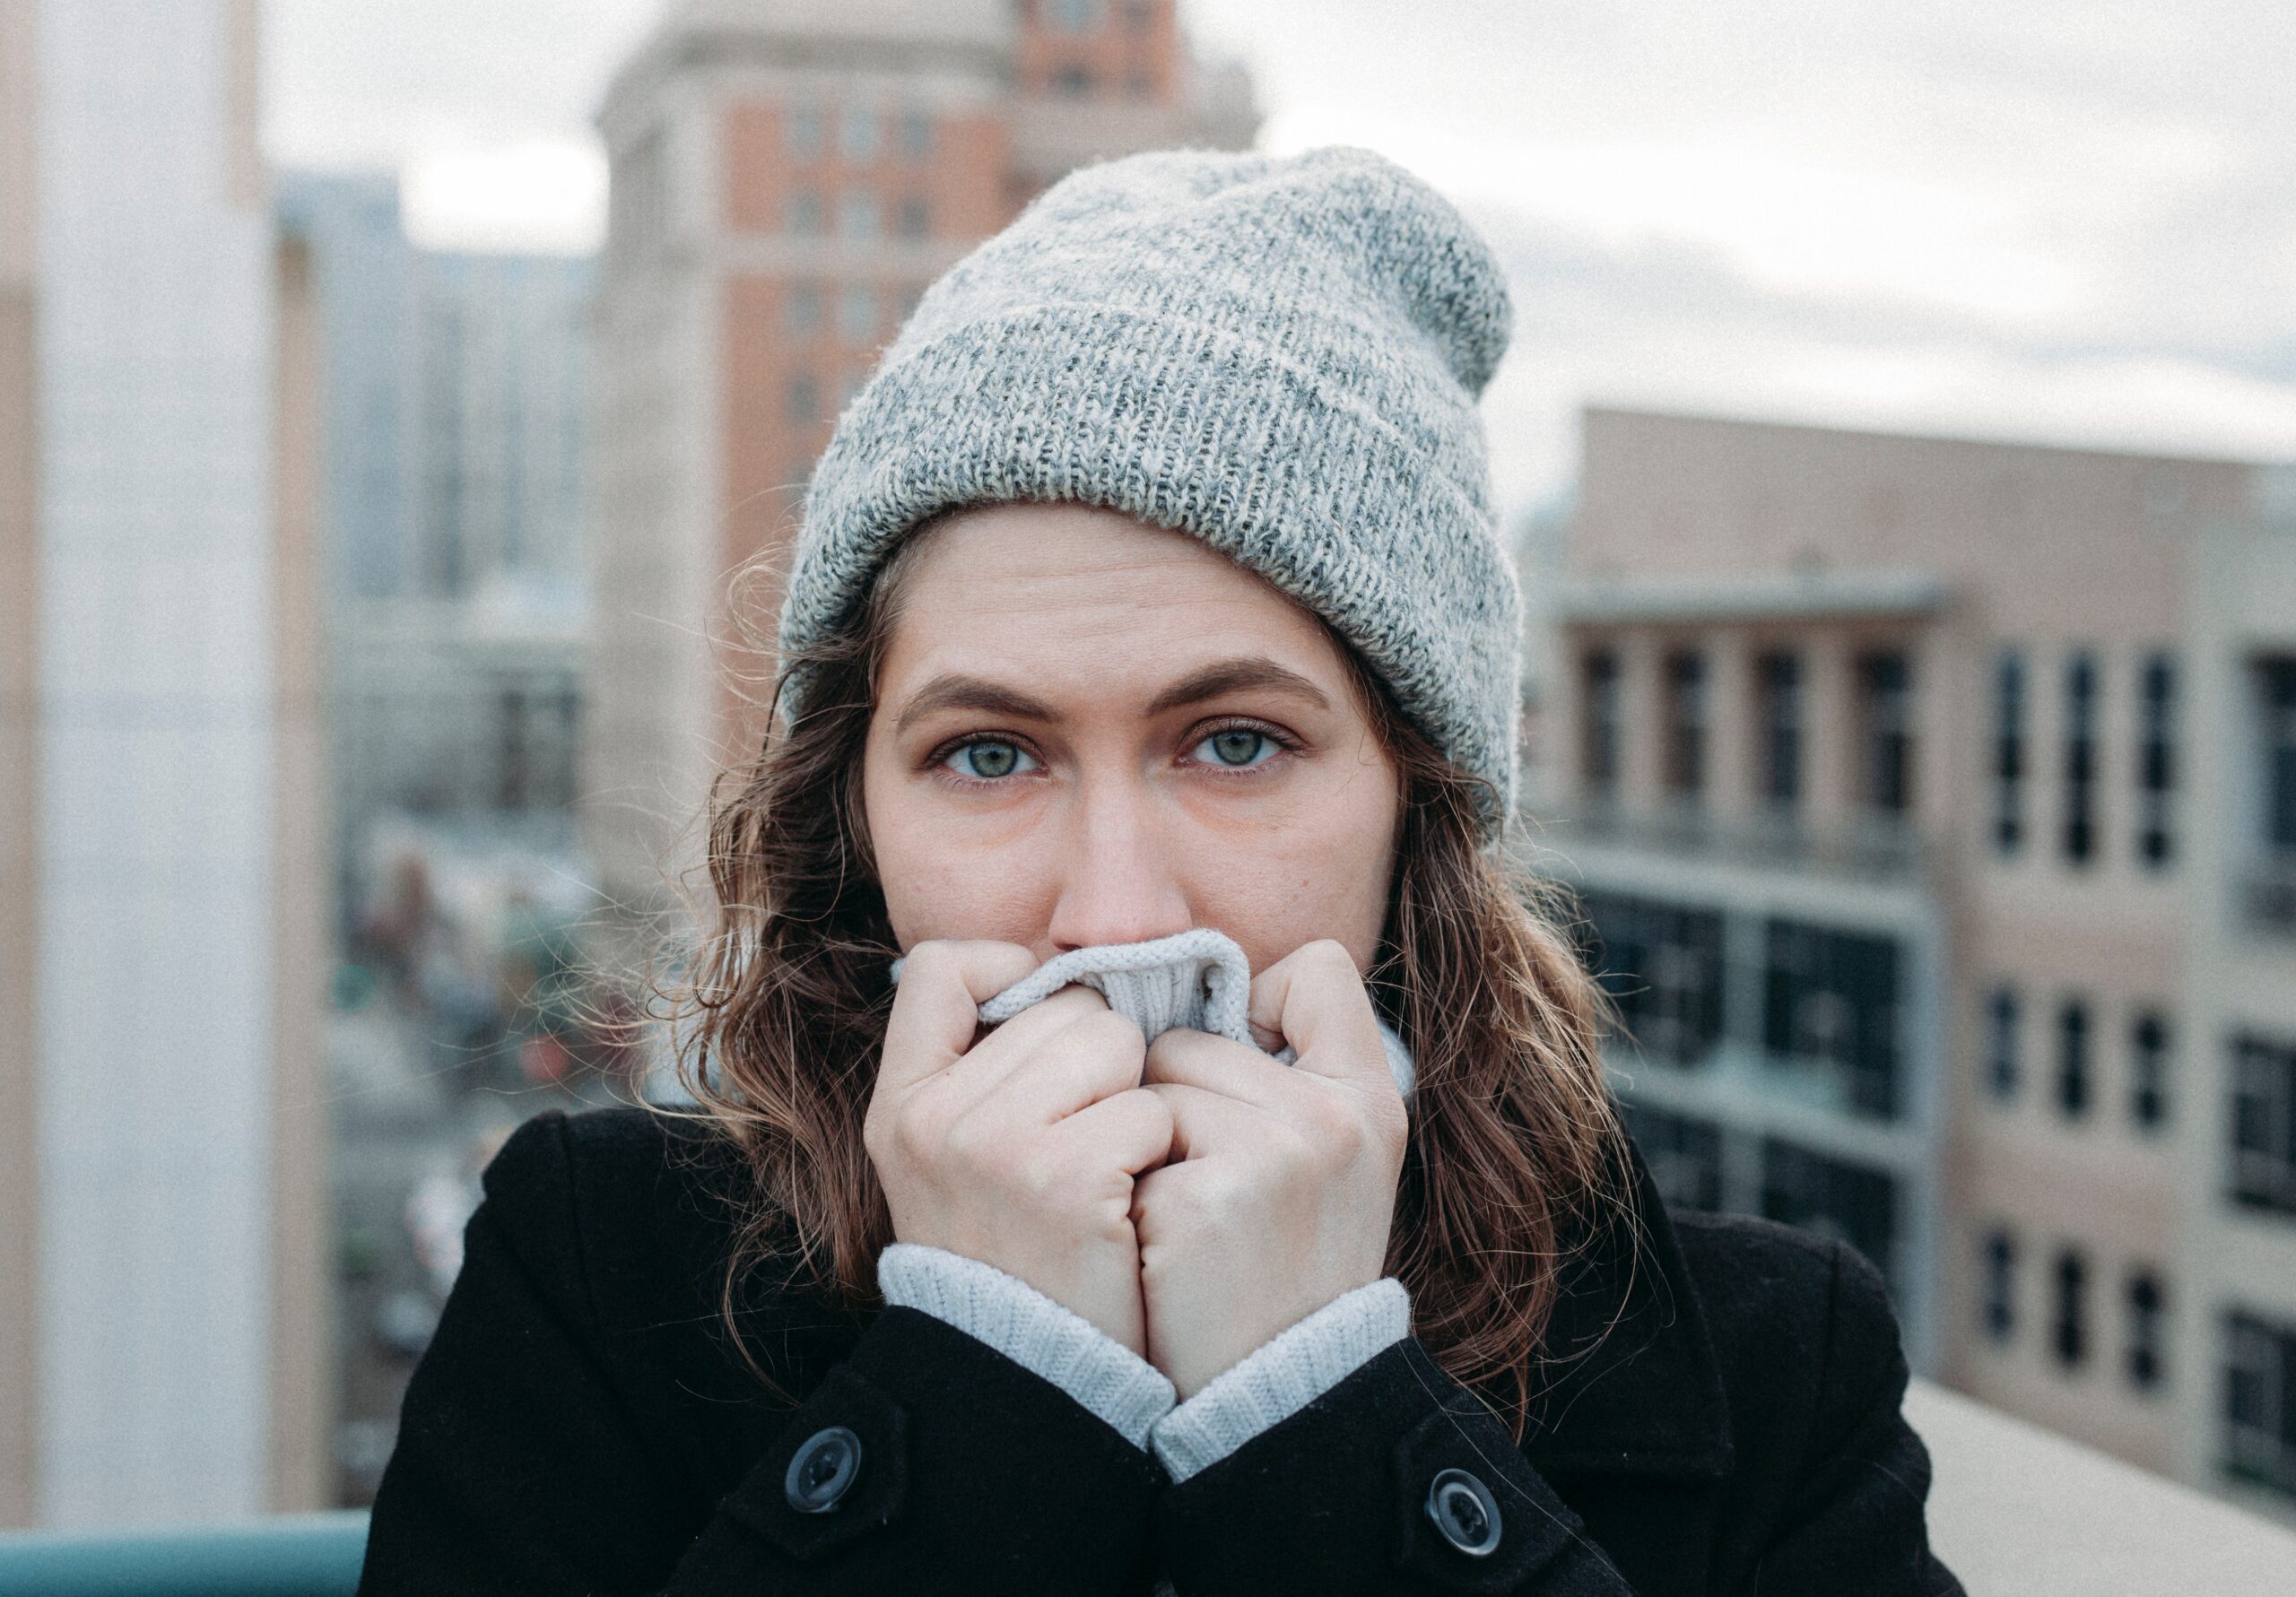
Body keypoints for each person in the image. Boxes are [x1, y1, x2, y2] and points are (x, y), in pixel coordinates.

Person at [358, 146, 1961, 1596]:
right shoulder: (598, 1274)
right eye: (991, 755)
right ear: (852, 816)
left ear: (1420, 805)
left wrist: (1322, 1412)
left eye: (1236, 744)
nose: (1116, 916)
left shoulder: (1775, 1366)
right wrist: (985, 1383)